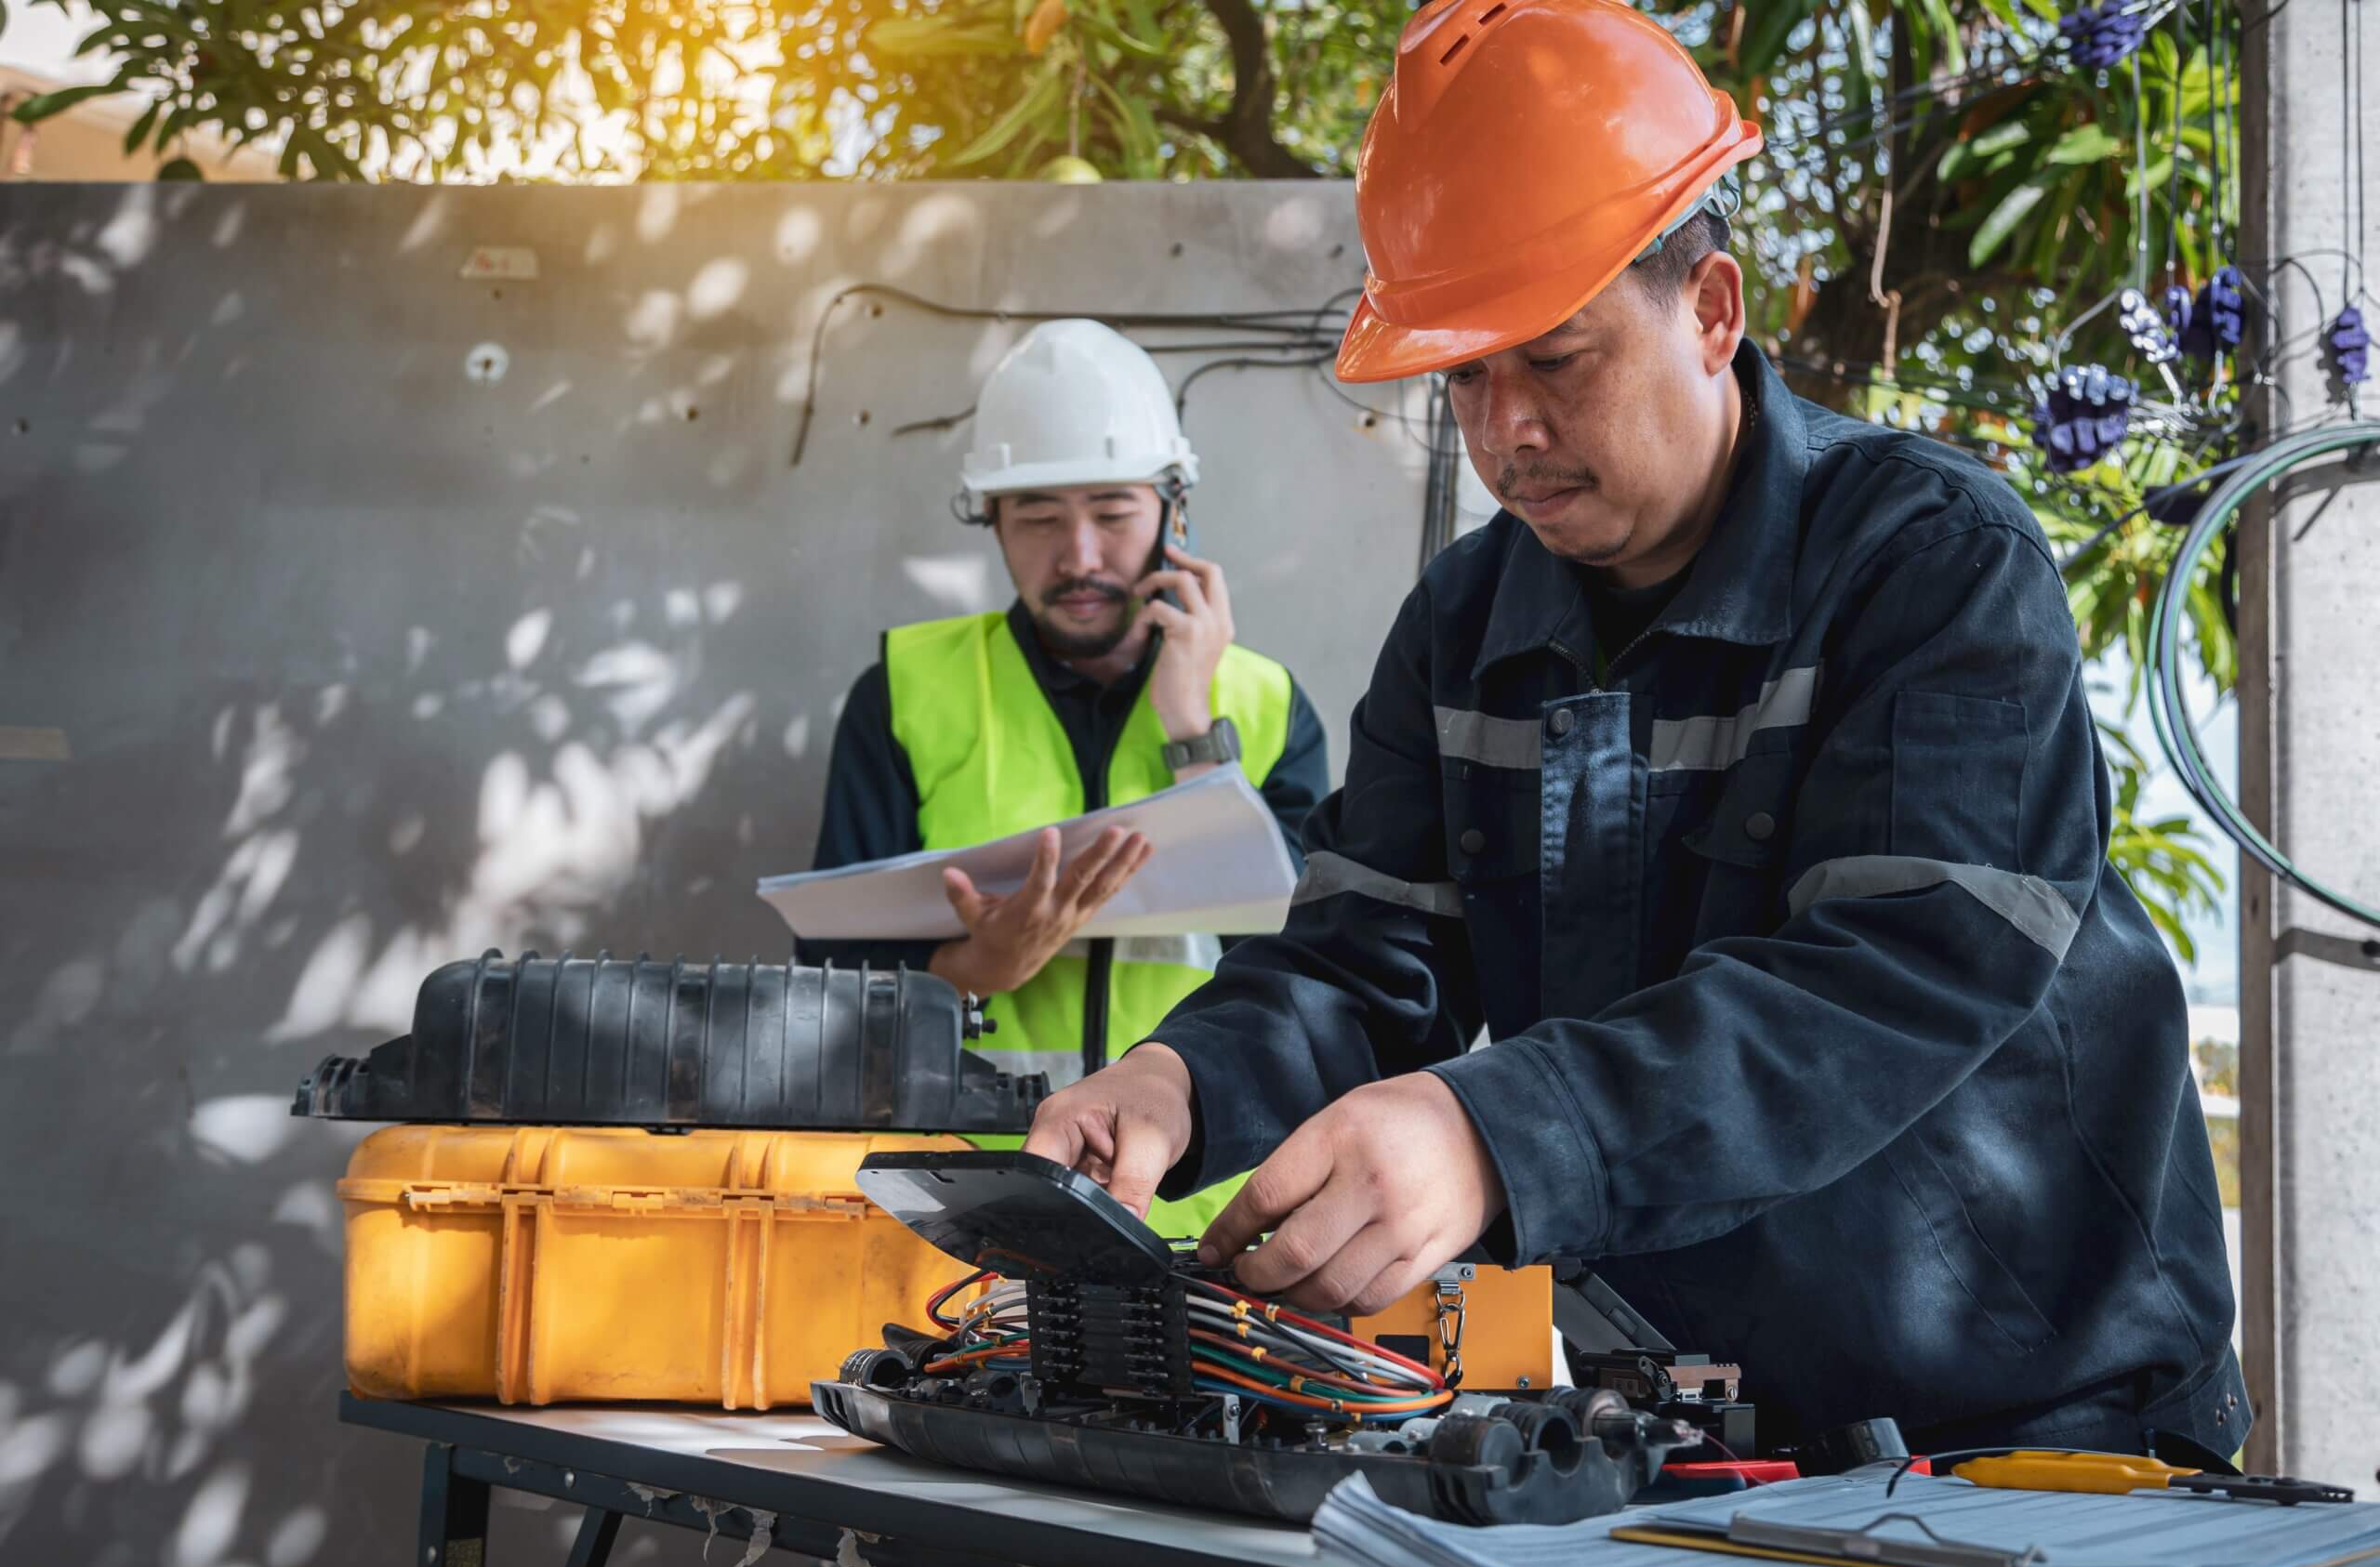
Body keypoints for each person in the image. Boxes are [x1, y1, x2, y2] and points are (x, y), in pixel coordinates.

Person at [1024, 0, 2246, 1457]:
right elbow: (1366, 961)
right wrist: (1184, 1078)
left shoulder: (1935, 565)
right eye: (1463, 375)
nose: (1503, 433)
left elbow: (1898, 974)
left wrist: (1494, 1130)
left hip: (2046, 1422)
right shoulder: (1466, 625)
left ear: (1713, 311)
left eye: (1555, 358)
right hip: (1708, 1425)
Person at [800, 318, 1330, 1234]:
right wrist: (968, 972)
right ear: (992, 521)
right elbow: (824, 978)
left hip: (1205, 1221)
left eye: (1113, 513)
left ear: (1173, 511)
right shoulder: (905, 692)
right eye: (1038, 515)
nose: (1079, 555)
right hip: (963, 1212)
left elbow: (1315, 966)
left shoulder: (1268, 704)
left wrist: (1195, 732)